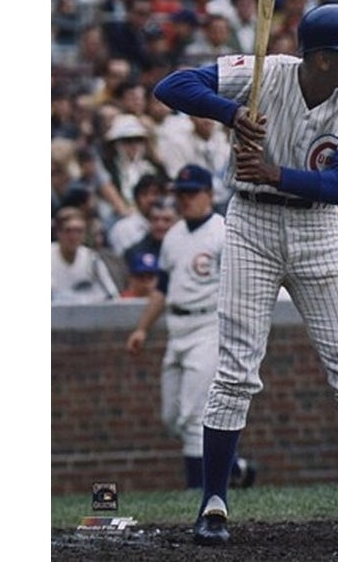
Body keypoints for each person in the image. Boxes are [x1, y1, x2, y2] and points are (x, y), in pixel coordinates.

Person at [153, 3, 338, 546]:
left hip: (319, 231)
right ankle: (213, 504)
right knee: (235, 369)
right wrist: (231, 114)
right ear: (322, 59)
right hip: (251, 222)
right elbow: (172, 84)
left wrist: (277, 172)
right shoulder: (265, 73)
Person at [125, 165, 255, 490]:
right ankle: (235, 467)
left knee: (195, 417)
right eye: (180, 193)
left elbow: (241, 286)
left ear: (209, 194)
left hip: (207, 325)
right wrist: (142, 328)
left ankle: (200, 494)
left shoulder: (224, 232)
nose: (185, 199)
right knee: (172, 418)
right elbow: (162, 288)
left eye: (191, 192)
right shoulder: (173, 235)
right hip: (177, 327)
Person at [52, 207, 120, 303]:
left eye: (79, 231)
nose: (74, 237)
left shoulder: (92, 259)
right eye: (68, 231)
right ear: (58, 233)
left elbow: (112, 295)